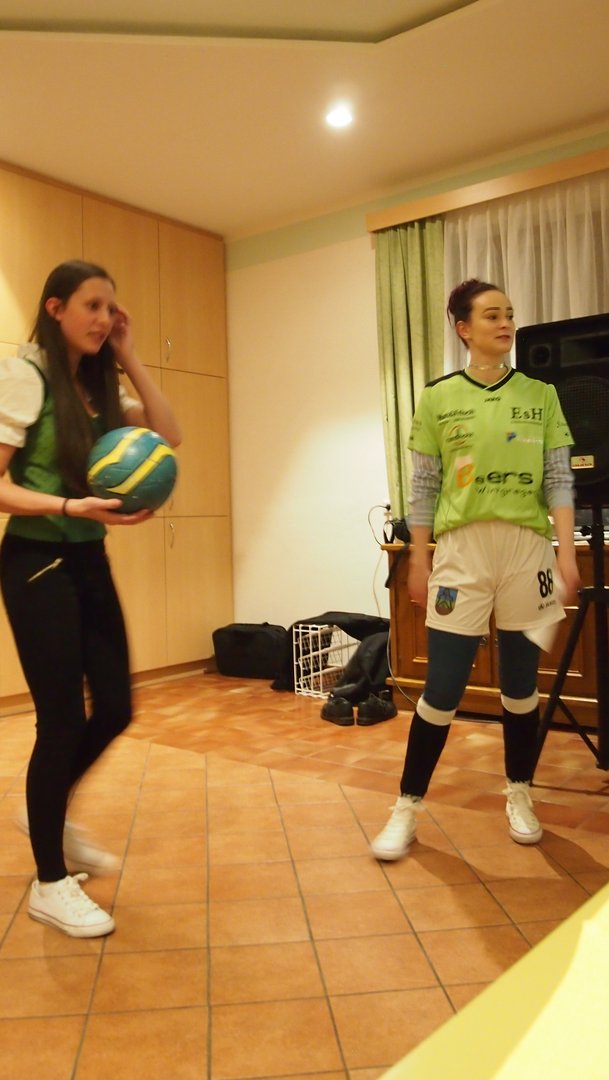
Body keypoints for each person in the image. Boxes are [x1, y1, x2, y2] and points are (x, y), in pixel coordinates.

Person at [0, 260, 181, 936]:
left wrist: (129, 356)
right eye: (92, 306)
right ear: (55, 309)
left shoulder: (100, 383)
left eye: (111, 308)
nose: (104, 318)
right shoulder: (26, 375)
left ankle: (44, 808)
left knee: (115, 707)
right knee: (61, 722)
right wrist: (70, 504)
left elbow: (169, 434)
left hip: (87, 559)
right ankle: (50, 883)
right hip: (35, 561)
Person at [371, 278, 580, 861]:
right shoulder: (438, 398)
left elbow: (559, 479)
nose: (505, 323)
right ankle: (406, 808)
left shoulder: (541, 394)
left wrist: (565, 554)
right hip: (461, 555)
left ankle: (520, 793)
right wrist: (419, 557)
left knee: (520, 686)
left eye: (509, 314)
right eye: (491, 315)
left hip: (527, 552)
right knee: (442, 687)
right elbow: (424, 486)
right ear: (463, 328)